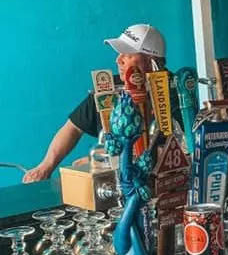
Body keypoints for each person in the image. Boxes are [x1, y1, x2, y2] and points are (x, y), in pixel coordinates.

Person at [23, 25, 169, 183]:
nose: (118, 60)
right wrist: (45, 167)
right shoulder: (109, 88)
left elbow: (173, 150)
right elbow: (73, 127)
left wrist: (103, 161)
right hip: (114, 186)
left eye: (127, 54)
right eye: (119, 53)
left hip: (158, 187)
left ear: (150, 61)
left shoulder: (170, 92)